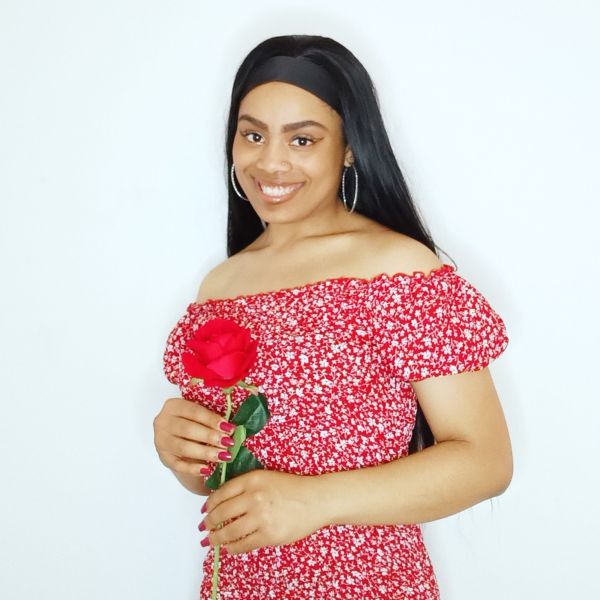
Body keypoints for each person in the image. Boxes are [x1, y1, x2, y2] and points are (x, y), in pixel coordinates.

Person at [154, 34, 512, 599]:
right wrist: (183, 451)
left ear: (348, 148)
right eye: (253, 135)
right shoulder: (219, 288)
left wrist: (313, 501)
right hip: (238, 586)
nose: (270, 162)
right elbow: (218, 476)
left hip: (370, 585)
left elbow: (486, 462)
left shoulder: (398, 270)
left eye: (302, 139)